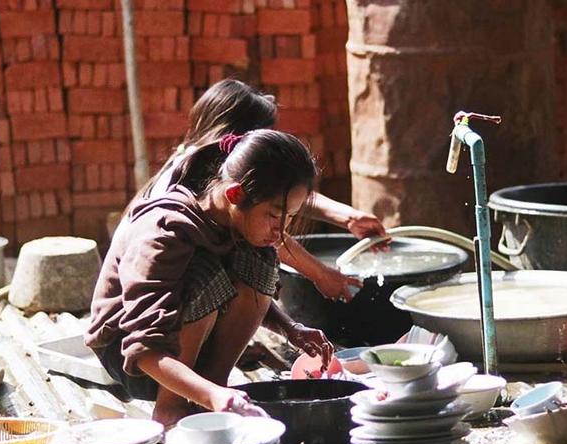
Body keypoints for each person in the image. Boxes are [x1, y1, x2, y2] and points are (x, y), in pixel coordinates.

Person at [85, 130, 334, 427]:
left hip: (179, 352)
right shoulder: (163, 233)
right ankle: (171, 409)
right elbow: (144, 349)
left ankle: (212, 390)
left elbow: (242, 286)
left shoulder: (232, 218)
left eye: (289, 218)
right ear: (234, 195)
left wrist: (291, 329)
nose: (281, 231)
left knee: (260, 260)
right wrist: (213, 395)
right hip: (133, 358)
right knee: (204, 273)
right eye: (273, 215)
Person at [125, 79, 388, 303]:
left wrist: (348, 217)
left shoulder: (199, 159)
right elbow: (268, 231)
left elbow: (275, 196)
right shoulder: (197, 178)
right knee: (257, 260)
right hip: (150, 306)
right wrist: (321, 274)